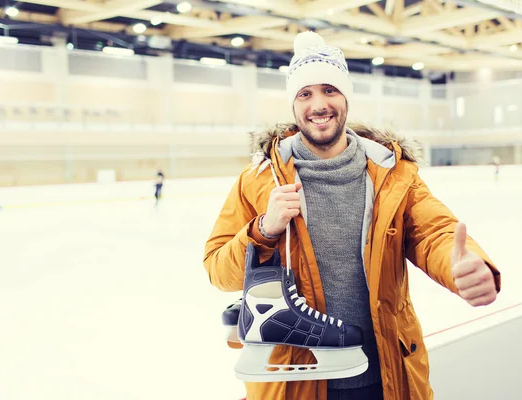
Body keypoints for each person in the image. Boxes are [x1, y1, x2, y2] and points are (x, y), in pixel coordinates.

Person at [203, 31, 501, 400]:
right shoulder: (259, 180)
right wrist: (264, 229)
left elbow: (433, 233)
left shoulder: (391, 174)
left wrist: (466, 267)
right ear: (293, 106)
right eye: (305, 93)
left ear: (346, 97)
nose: (318, 104)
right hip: (295, 381)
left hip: (384, 376)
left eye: (330, 90)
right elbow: (218, 269)